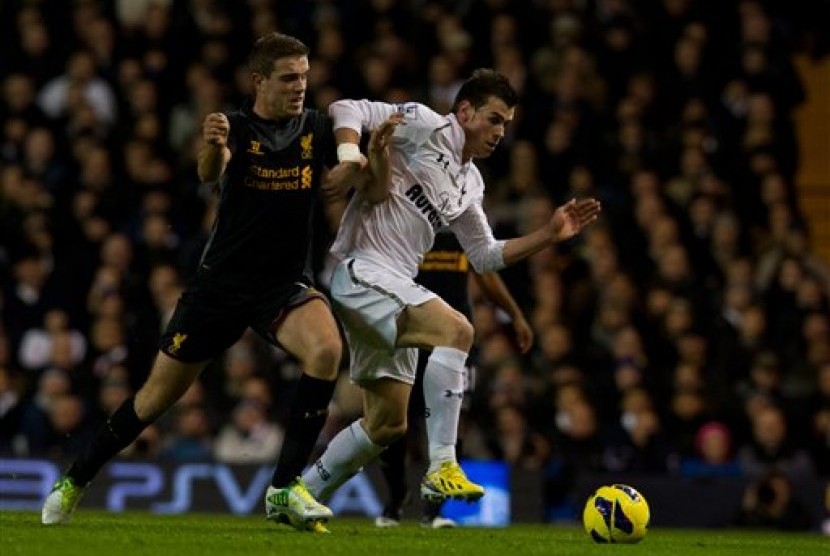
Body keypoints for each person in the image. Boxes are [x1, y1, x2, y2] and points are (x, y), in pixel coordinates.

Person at [40, 32, 370, 533]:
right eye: (288, 78)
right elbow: (208, 171)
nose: (299, 86)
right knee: (154, 400)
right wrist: (213, 148)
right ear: (259, 81)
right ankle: (76, 477)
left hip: (281, 285)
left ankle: (284, 487)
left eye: (304, 76)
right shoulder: (233, 127)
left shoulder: (317, 128)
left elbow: (352, 146)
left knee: (326, 350)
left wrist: (358, 164)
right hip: (220, 288)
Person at [299, 69, 601, 512]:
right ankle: (442, 465)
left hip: (393, 285)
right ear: (464, 111)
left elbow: (484, 255)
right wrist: (349, 156)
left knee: (386, 426)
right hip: (362, 271)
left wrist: (548, 235)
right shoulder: (425, 123)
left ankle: (301, 493)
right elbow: (347, 109)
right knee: (457, 330)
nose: (500, 132)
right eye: (494, 119)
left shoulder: (470, 181)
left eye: (506, 124)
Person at [375, 230, 534, 528]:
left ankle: (433, 513)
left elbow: (486, 274)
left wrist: (515, 314)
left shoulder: (463, 228)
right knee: (394, 424)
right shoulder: (406, 225)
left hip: (454, 341)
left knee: (451, 421)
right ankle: (396, 497)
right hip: (410, 336)